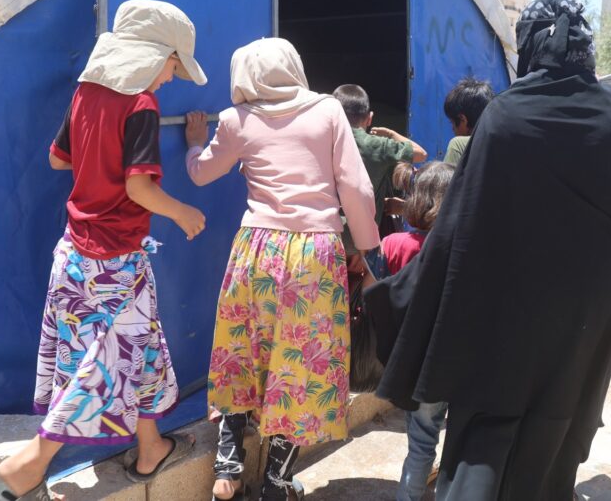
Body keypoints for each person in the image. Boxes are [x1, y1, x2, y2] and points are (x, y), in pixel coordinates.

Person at [366, 0, 611, 501]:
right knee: (553, 426)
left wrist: (400, 292)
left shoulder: (506, 116)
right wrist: (610, 284)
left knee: (484, 432)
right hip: (581, 316)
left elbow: (459, 227)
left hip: (502, 310)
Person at [0, 0, 209, 501]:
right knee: (96, 369)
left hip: (77, 256)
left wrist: (96, 159)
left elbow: (59, 160)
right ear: (153, 55)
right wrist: (183, 212)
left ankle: (150, 448)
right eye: (172, 63)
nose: (171, 77)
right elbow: (141, 187)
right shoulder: (140, 105)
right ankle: (29, 463)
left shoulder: (86, 92)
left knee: (141, 349)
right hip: (115, 259)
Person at [184, 38, 379, 501]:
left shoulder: (235, 120)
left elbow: (201, 174)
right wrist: (369, 248)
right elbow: (355, 186)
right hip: (316, 254)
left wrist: (194, 144)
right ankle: (275, 480)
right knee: (301, 368)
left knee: (241, 354)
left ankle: (228, 472)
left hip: (256, 250)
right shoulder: (329, 112)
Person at [381, 162, 455, 501]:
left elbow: (381, 294)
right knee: (460, 446)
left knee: (422, 443)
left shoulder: (394, 244)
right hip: (456, 356)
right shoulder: (461, 249)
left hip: (417, 363)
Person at [332, 84, 427, 233]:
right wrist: (390, 133)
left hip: (327, 236)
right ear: (369, 119)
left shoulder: (319, 142)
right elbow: (421, 153)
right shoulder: (378, 146)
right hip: (362, 239)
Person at [442, 77, 495, 166]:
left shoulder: (458, 145)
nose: (452, 129)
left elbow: (446, 179)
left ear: (463, 119)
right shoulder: (506, 142)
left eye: (452, 123)